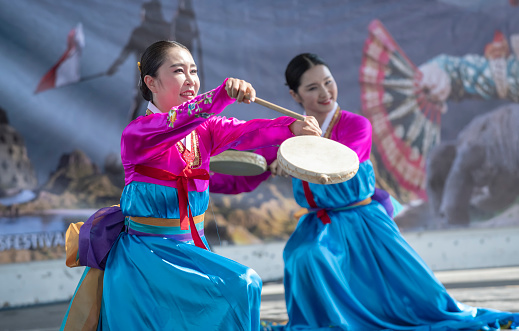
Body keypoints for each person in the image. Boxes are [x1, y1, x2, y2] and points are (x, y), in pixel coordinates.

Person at [211, 53, 519, 330]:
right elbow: (246, 177)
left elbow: (345, 161)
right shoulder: (289, 134)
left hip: (364, 222)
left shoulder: (355, 125)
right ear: (295, 95)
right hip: (321, 223)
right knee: (303, 254)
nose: (325, 93)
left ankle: (347, 322)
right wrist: (201, 177)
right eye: (312, 88)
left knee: (423, 301)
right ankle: (328, 323)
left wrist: (290, 161)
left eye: (328, 83)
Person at [60, 41, 321, 331]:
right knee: (242, 284)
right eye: (179, 71)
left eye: (193, 71)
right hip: (147, 256)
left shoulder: (205, 130)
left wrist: (292, 127)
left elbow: (248, 132)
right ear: (151, 82)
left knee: (241, 289)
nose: (190, 79)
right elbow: (180, 119)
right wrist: (221, 95)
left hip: (189, 250)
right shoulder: (139, 133)